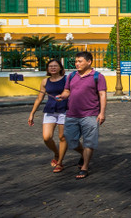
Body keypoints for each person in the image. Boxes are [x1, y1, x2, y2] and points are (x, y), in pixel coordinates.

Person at [55, 51, 107, 179]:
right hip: (72, 114)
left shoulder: (98, 76)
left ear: (89, 62)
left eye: (80, 61)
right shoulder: (71, 76)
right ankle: (84, 154)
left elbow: (102, 95)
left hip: (90, 114)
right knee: (70, 139)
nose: (76, 64)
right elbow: (67, 91)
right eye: (76, 61)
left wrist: (102, 113)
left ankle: (84, 167)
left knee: (89, 141)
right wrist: (62, 96)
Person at [26, 58, 69, 173]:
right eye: (50, 66)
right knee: (46, 137)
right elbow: (39, 98)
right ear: (47, 69)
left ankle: (60, 162)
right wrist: (32, 113)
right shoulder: (45, 81)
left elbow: (72, 93)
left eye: (55, 66)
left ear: (60, 68)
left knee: (62, 137)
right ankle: (56, 153)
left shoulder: (66, 79)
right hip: (50, 110)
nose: (53, 68)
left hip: (64, 110)